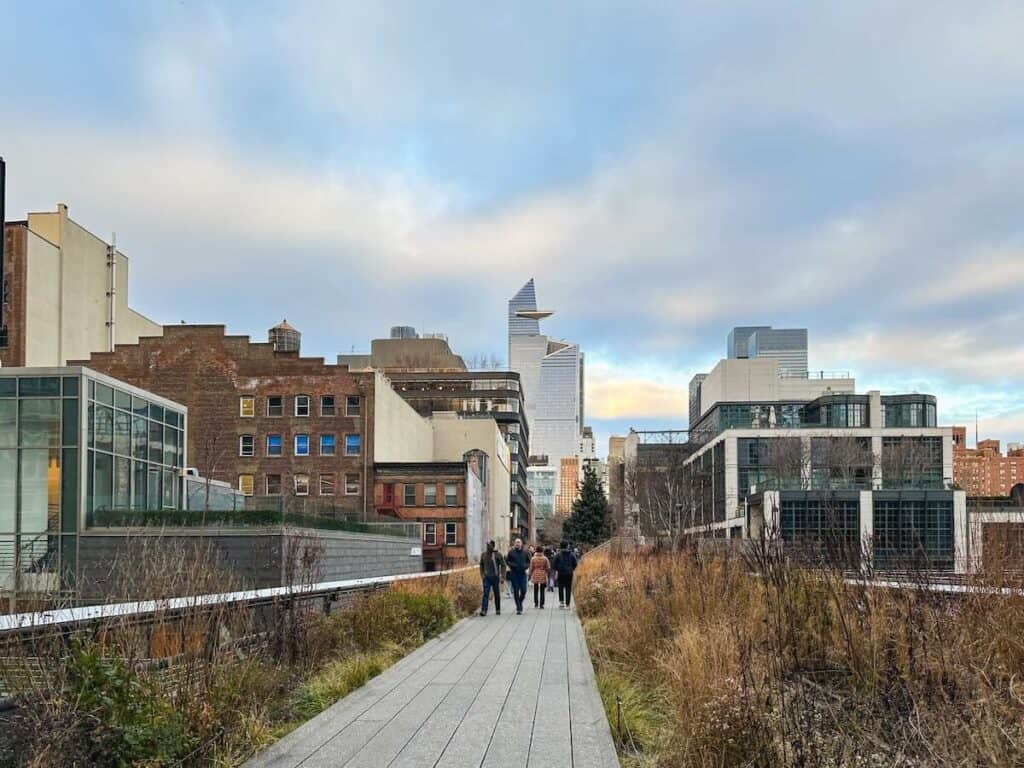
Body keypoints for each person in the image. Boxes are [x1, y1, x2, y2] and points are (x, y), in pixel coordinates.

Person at [479, 540, 506, 616]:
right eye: (487, 545)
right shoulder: (483, 555)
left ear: (493, 546)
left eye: (489, 545)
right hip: (486, 577)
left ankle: (498, 609)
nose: (488, 547)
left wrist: (503, 577)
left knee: (496, 594)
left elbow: (503, 565)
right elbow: (481, 565)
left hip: (495, 577)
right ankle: (484, 610)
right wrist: (482, 574)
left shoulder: (497, 555)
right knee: (486, 594)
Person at [505, 538, 531, 615]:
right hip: (514, 574)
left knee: (524, 590)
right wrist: (513, 566)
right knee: (516, 591)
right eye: (516, 542)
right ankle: (519, 607)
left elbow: (529, 562)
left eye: (519, 542)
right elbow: (507, 561)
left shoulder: (526, 552)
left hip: (523, 574)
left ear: (521, 543)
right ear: (514, 544)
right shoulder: (511, 552)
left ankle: (519, 602)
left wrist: (525, 566)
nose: (517, 544)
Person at [553, 540, 578, 609]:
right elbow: (575, 564)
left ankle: (561, 603)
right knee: (568, 588)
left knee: (560, 588)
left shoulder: (558, 555)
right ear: (567, 546)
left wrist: (557, 571)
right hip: (569, 573)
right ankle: (567, 604)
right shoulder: (572, 554)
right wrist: (571, 569)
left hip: (560, 573)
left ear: (560, 546)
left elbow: (554, 565)